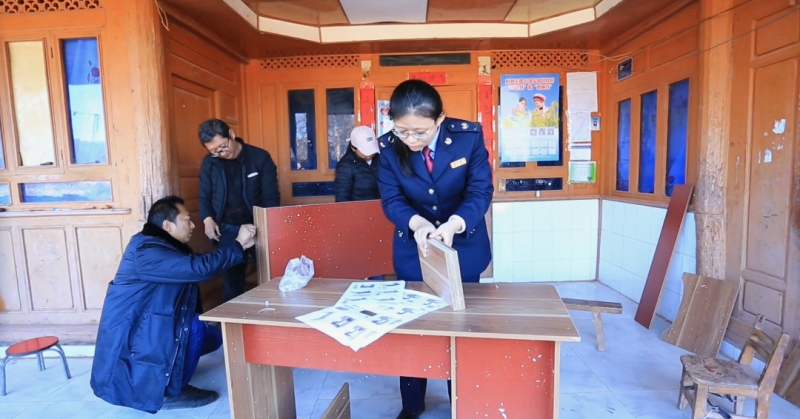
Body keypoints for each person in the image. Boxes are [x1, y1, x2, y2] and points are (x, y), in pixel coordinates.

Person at [377, 79, 493, 419]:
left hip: (463, 246)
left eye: (420, 132)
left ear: (439, 119)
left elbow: (480, 191)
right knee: (415, 327)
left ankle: (462, 402)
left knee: (462, 327)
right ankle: (412, 405)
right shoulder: (389, 148)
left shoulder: (468, 137)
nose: (411, 140)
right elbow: (391, 199)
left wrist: (455, 223)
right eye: (403, 131)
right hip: (415, 249)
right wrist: (418, 224)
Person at [90, 196, 257, 413]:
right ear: (168, 225)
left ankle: (170, 373)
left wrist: (239, 248)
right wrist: (239, 243)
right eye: (187, 220)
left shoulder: (162, 245)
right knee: (195, 328)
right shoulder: (146, 252)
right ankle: (170, 393)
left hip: (148, 326)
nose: (193, 225)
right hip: (133, 335)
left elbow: (195, 264)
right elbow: (198, 268)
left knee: (212, 338)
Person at [198, 118, 279, 302]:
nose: (221, 153)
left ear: (231, 135)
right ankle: (234, 319)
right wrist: (207, 219)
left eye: (223, 146)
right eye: (213, 151)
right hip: (227, 229)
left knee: (272, 278)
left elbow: (271, 197)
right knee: (232, 285)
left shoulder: (259, 158)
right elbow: (204, 195)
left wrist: (264, 226)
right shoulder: (209, 163)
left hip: (259, 226)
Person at [334, 126, 381, 203]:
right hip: (359, 208)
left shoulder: (380, 159)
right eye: (365, 151)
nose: (369, 154)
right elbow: (342, 197)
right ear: (353, 148)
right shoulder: (345, 166)